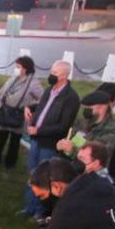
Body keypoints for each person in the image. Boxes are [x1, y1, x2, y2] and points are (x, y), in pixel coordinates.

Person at [23, 60, 79, 218]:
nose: (51, 75)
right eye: (51, 71)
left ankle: (41, 212)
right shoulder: (49, 90)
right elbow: (42, 107)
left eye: (55, 73)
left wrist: (39, 130)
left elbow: (63, 126)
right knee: (32, 174)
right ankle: (29, 207)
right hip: (36, 140)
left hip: (49, 144)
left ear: (64, 76)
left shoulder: (71, 98)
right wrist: (30, 108)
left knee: (46, 178)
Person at [0, 56, 43, 170]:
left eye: (18, 67)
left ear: (25, 68)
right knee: (0, 139)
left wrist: (29, 107)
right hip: (5, 112)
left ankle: (10, 164)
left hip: (18, 116)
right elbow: (2, 92)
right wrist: (0, 106)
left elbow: (41, 98)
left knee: (14, 142)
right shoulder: (13, 78)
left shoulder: (33, 82)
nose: (16, 69)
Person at [55, 90, 115, 162]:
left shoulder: (111, 130)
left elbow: (96, 155)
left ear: (102, 108)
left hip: (89, 169)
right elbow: (70, 137)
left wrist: (71, 150)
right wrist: (63, 144)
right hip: (69, 163)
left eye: (89, 107)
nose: (86, 110)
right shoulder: (81, 122)